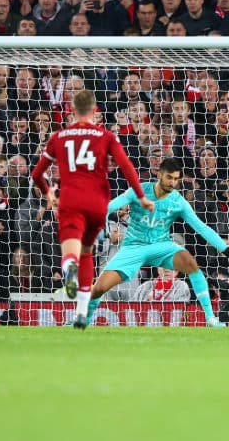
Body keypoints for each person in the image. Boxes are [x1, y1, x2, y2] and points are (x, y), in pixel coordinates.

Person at [83, 157, 229, 328]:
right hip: (134, 247)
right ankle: (82, 320)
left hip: (161, 246)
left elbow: (202, 228)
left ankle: (210, 319)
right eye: (169, 177)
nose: (172, 182)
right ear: (159, 174)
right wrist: (101, 231)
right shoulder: (138, 191)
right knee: (100, 288)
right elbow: (107, 208)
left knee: (191, 265)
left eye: (176, 179)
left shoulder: (178, 201)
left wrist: (228, 251)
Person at [30, 89, 153, 324]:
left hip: (71, 200)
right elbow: (127, 167)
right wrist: (141, 196)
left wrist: (48, 193)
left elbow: (37, 173)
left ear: (73, 110)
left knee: (71, 253)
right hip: (98, 204)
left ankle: (70, 274)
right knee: (87, 253)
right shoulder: (106, 136)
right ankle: (81, 313)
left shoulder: (59, 137)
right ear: (95, 111)